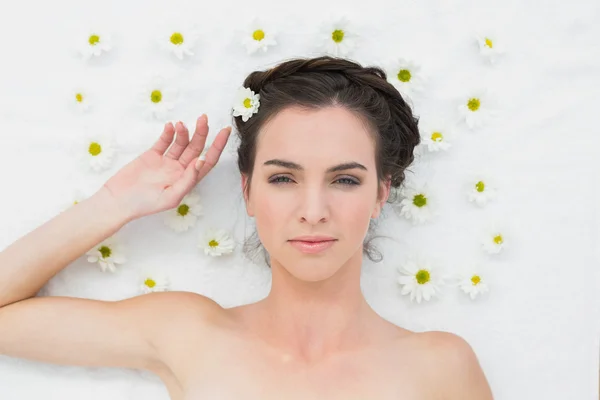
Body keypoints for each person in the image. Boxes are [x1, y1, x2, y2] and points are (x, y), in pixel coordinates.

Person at [0, 56, 493, 399]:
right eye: (283, 178)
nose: (313, 210)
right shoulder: (187, 334)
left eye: (344, 179)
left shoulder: (440, 367)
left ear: (381, 193)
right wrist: (113, 204)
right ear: (247, 191)